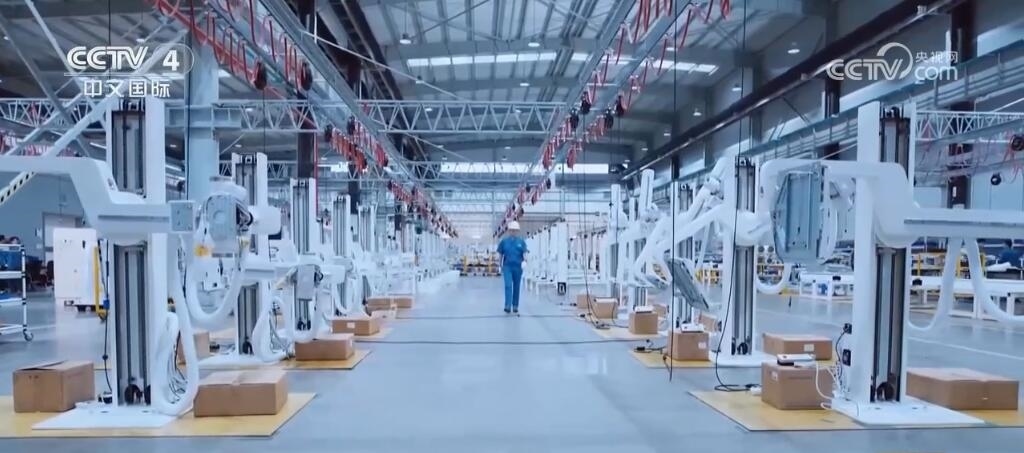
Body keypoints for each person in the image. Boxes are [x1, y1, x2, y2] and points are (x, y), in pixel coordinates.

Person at [497, 221, 528, 314]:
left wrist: (525, 261)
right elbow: (500, 254)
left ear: (517, 231)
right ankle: (507, 305)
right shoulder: (504, 242)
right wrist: (499, 265)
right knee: (508, 285)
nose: (513, 232)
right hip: (507, 267)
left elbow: (525, 253)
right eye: (511, 230)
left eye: (515, 230)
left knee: (516, 286)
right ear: (509, 231)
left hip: (518, 267)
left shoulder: (521, 242)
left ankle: (515, 306)